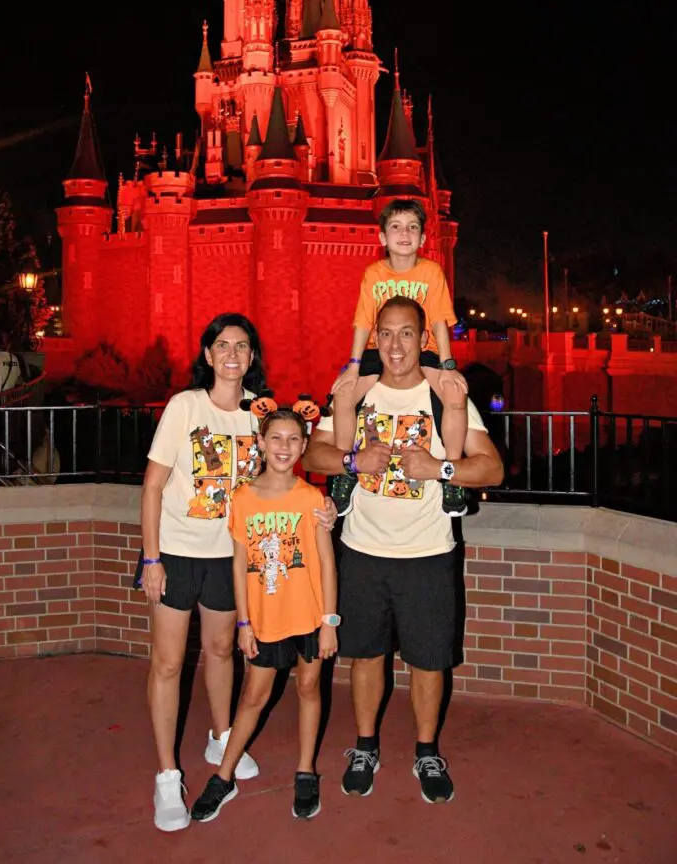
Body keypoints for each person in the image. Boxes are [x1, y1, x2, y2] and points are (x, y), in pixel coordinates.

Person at [137, 313, 336, 832]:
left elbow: (295, 453)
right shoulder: (186, 407)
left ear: (252, 358)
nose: (231, 355)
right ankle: (166, 776)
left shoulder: (257, 415)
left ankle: (222, 736)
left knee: (222, 651)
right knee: (167, 664)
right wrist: (152, 558)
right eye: (221, 345)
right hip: (178, 552)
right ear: (207, 355)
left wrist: (327, 508)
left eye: (241, 347)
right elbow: (153, 485)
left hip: (231, 556)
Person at [303, 296, 504, 805]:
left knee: (429, 661)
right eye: (386, 334)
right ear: (375, 340)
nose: (395, 345)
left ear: (424, 340)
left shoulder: (444, 396)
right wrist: (354, 459)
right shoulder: (355, 391)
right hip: (362, 552)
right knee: (366, 656)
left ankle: (426, 750)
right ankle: (366, 746)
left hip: (429, 553)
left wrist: (440, 469)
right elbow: (314, 454)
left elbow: (492, 468)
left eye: (407, 334)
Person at [191, 406, 339, 823]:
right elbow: (238, 564)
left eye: (294, 439)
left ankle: (306, 769)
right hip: (265, 619)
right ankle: (224, 776)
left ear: (304, 446)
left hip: (309, 618)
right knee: (254, 697)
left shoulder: (312, 499)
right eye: (276, 438)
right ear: (260, 442)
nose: (284, 447)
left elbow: (327, 564)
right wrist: (243, 622)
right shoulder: (243, 498)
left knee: (309, 690)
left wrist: (329, 622)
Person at [331, 198, 470, 517]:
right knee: (343, 395)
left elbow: (439, 319)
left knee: (453, 395)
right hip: (381, 351)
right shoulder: (373, 274)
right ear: (382, 237)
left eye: (412, 227)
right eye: (395, 227)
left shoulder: (432, 271)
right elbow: (363, 321)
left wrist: (447, 365)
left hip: (425, 351)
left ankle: (452, 475)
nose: (404, 233)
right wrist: (353, 366)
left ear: (422, 239)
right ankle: (345, 473)